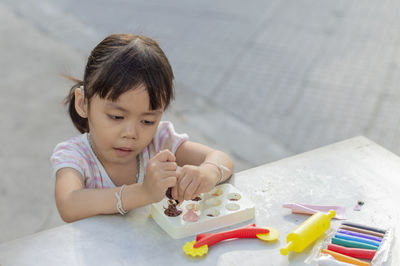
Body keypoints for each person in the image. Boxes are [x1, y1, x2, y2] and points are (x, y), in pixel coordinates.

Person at [50, 34, 234, 223]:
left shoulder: (160, 141)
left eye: (147, 121)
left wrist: (207, 173)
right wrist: (143, 192)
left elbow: (223, 160)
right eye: (116, 117)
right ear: (83, 103)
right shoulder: (75, 155)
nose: (131, 133)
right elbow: (68, 204)